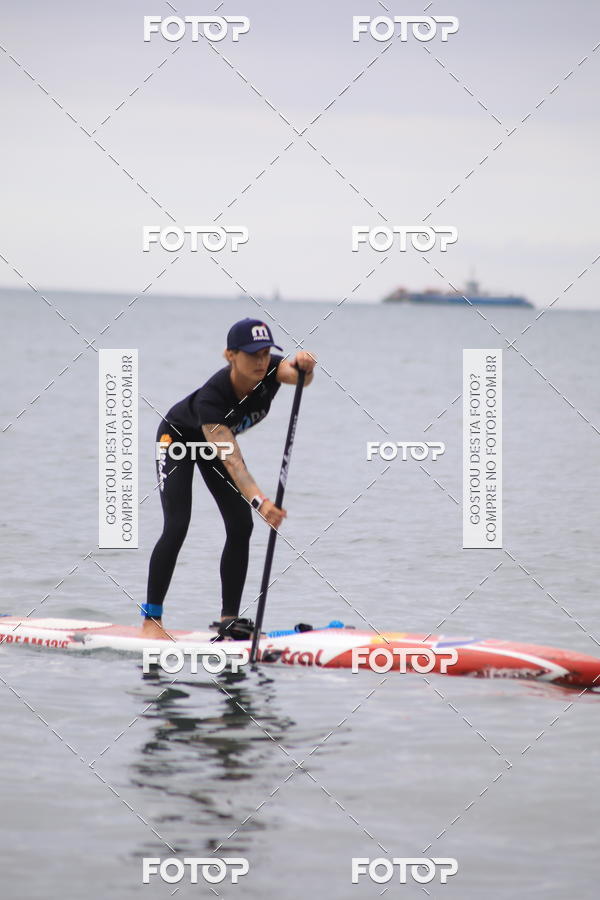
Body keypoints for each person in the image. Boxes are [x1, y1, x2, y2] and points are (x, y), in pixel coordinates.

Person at [142, 317, 316, 640]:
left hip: (214, 448)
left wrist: (305, 365)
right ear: (230, 356)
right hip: (178, 441)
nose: (261, 361)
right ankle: (151, 621)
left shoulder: (272, 371)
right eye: (252, 355)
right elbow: (234, 463)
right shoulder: (212, 399)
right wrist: (262, 503)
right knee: (177, 523)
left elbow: (299, 376)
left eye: (266, 353)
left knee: (241, 525)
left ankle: (229, 621)